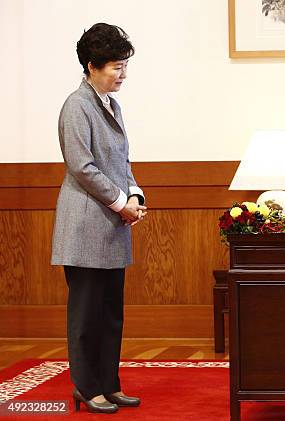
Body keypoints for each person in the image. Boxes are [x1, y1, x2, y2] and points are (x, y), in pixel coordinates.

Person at [51, 23, 147, 414]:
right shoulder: (76, 106)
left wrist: (136, 194)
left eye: (125, 65)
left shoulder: (110, 103)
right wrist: (122, 202)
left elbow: (120, 162)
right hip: (85, 225)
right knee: (86, 315)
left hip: (110, 224)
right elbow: (82, 167)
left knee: (110, 315)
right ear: (91, 66)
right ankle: (87, 388)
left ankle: (110, 385)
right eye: (116, 66)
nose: (122, 73)